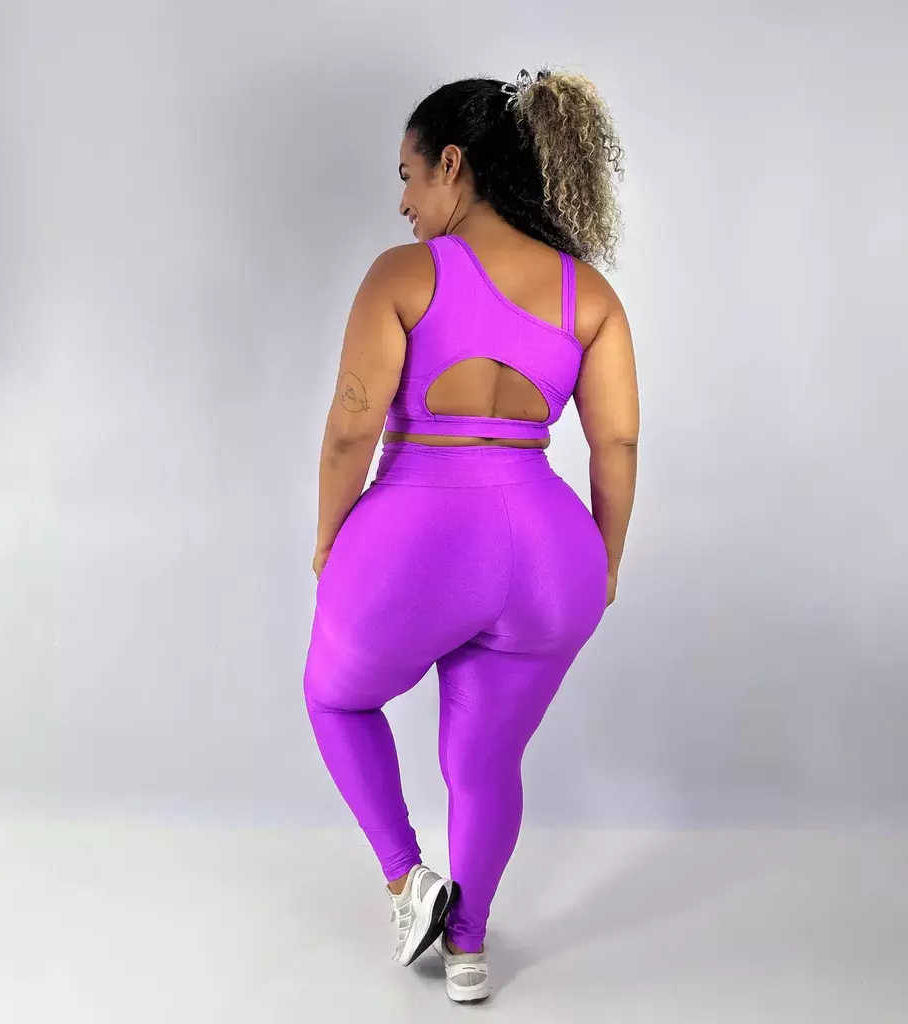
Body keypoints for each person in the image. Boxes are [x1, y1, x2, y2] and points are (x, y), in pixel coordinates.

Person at [303, 67, 638, 1004]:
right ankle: (469, 947)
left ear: (452, 164)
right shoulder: (589, 295)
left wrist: (329, 540)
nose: (404, 202)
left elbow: (349, 431)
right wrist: (606, 560)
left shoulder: (405, 274)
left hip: (417, 536)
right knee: (485, 763)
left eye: (408, 175)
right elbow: (614, 441)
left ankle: (408, 881)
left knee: (333, 698)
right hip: (552, 557)